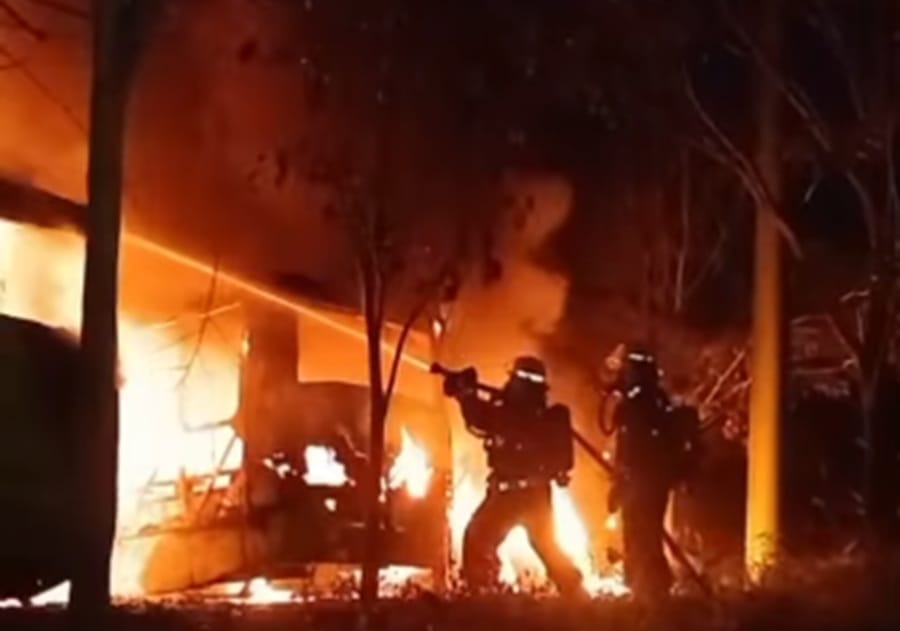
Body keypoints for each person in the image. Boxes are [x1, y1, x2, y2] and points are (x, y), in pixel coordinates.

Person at [441, 356, 584, 596]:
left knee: (536, 545)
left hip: (522, 496)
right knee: (480, 540)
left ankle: (573, 590)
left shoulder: (543, 418)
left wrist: (468, 395)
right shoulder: (507, 411)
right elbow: (478, 418)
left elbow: (487, 418)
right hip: (514, 494)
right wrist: (465, 394)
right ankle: (482, 591)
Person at [603, 346, 697, 599]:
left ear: (636, 370)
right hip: (637, 480)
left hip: (646, 482)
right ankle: (640, 587)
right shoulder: (639, 401)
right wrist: (619, 483)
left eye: (626, 370)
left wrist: (623, 481)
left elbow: (637, 448)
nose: (622, 375)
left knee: (645, 536)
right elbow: (625, 447)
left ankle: (653, 591)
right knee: (636, 535)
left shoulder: (647, 403)